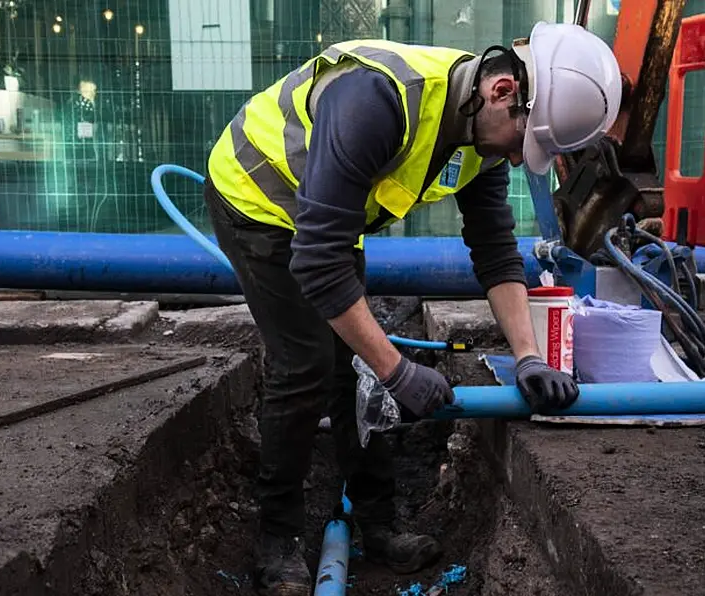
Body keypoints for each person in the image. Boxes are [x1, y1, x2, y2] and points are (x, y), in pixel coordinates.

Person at [204, 21, 622, 595]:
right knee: (303, 366)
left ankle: (376, 524)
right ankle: (277, 540)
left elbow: (497, 253)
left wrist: (528, 358)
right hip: (256, 199)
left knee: (350, 365)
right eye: (520, 142)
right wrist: (397, 370)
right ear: (502, 91)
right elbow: (317, 263)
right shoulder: (377, 100)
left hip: (328, 222)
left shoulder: (483, 131)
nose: (512, 155)